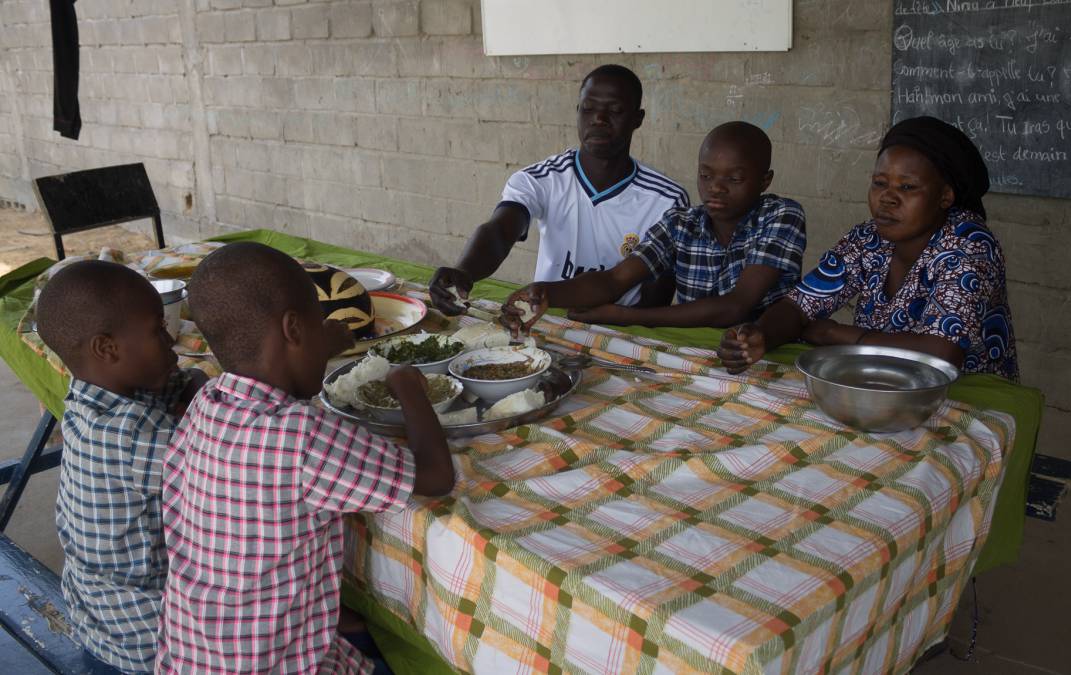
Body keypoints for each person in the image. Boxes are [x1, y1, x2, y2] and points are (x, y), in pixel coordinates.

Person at [155, 242, 455, 674]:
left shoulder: (207, 401)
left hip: (192, 657)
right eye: (320, 324)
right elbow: (435, 476)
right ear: (294, 329)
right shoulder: (303, 436)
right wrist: (409, 388)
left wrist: (323, 341)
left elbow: (286, 363)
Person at [718, 116, 1019, 380]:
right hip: (878, 385)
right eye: (879, 183)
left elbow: (941, 353)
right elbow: (799, 305)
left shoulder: (969, 244)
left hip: (969, 397)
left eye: (907, 187)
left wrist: (833, 333)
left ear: (945, 196)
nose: (887, 198)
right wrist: (760, 335)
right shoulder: (868, 238)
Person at [36, 260, 207, 674]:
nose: (171, 342)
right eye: (157, 331)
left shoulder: (94, 392)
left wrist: (194, 387)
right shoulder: (128, 436)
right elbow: (229, 465)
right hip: (143, 641)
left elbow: (181, 381)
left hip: (97, 613)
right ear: (107, 348)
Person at [428, 64, 689, 314]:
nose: (599, 119)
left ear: (637, 119)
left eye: (615, 110)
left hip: (621, 325)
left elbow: (657, 297)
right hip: (542, 316)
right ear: (577, 112)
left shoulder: (666, 200)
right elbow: (500, 231)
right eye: (588, 109)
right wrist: (465, 271)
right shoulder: (540, 179)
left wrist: (617, 323)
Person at [500, 121, 807, 331]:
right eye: (706, 175)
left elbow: (736, 307)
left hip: (762, 351)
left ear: (765, 181)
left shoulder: (780, 216)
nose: (716, 188)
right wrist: (546, 292)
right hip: (694, 350)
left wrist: (629, 316)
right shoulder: (681, 223)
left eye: (734, 179)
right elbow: (615, 280)